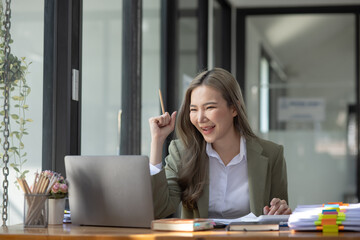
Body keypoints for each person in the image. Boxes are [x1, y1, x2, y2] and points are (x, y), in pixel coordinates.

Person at [149, 68, 291, 219]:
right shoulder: (182, 152)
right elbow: (158, 210)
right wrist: (157, 141)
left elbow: (279, 219)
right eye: (194, 109)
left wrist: (280, 211)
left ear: (234, 108)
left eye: (209, 107)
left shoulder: (272, 154)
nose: (200, 118)